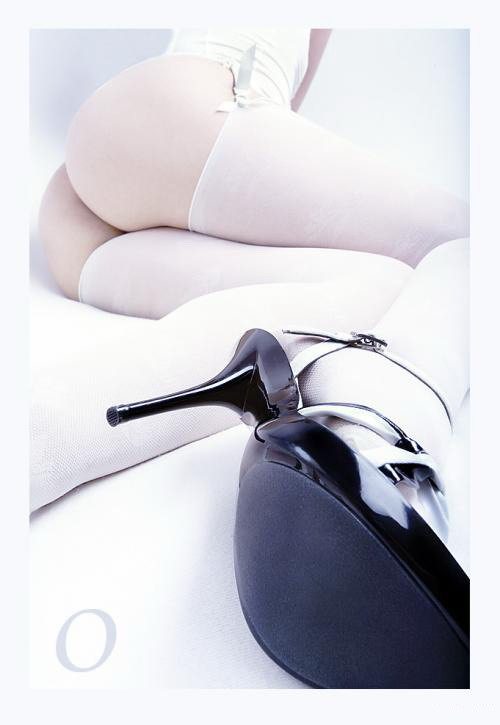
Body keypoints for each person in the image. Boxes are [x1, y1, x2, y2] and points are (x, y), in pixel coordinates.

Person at [33, 29, 469, 554]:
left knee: (380, 287)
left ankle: (34, 436)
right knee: (470, 242)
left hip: (84, 220)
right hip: (175, 118)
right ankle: (377, 458)